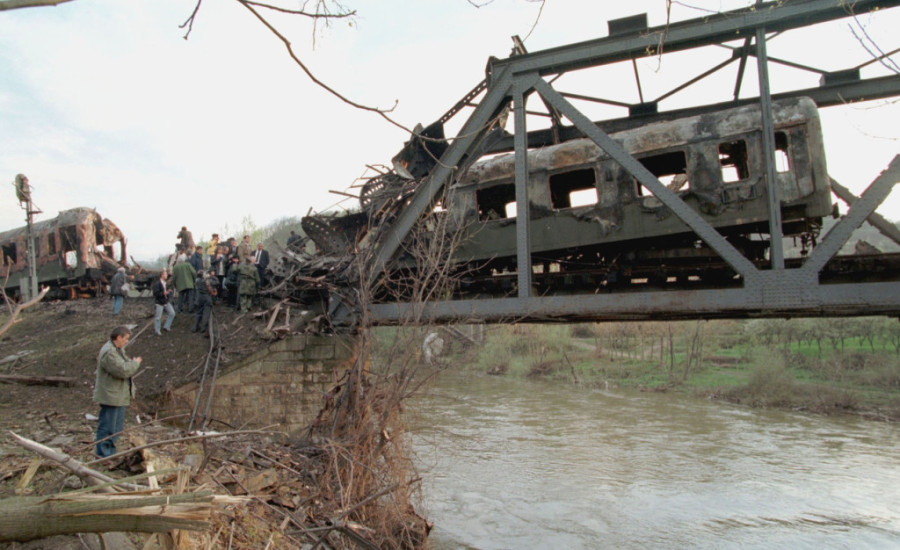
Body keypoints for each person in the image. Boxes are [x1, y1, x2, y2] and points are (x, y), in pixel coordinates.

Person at [93, 325, 143, 458]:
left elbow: (124, 364)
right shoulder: (109, 352)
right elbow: (123, 370)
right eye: (125, 338)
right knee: (108, 427)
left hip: (118, 395)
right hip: (111, 396)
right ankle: (103, 454)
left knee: (116, 428)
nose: (127, 341)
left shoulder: (117, 350)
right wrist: (135, 364)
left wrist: (131, 364)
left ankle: (110, 453)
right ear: (118, 337)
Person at [192, 270, 219, 334]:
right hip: (207, 298)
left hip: (199, 298)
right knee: (206, 313)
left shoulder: (197, 281)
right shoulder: (207, 281)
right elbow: (214, 285)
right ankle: (203, 328)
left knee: (198, 313)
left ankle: (195, 327)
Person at [152, 270, 175, 335]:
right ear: (162, 275)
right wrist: (164, 293)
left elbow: (164, 290)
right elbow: (155, 293)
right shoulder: (157, 284)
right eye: (165, 274)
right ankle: (157, 330)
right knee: (158, 317)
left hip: (165, 301)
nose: (166, 275)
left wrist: (167, 291)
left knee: (172, 313)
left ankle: (166, 326)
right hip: (159, 302)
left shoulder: (164, 283)